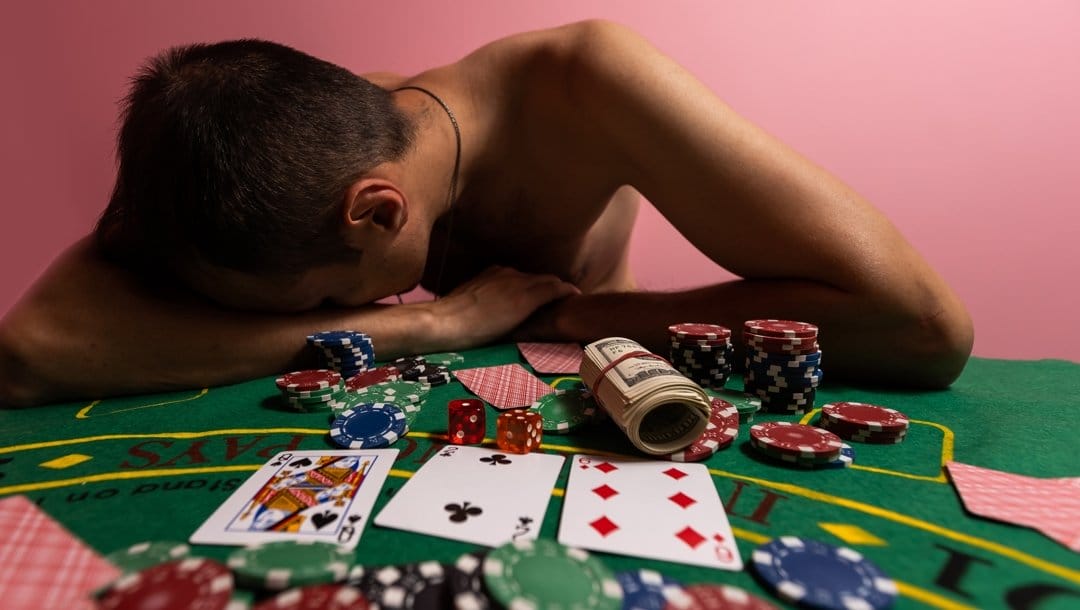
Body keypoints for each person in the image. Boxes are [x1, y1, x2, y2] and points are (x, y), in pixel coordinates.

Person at [0, 20, 973, 407]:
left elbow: (925, 327)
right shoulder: (258, 157)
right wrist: (430, 323)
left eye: (334, 293)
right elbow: (27, 352)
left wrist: (575, 314)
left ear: (377, 212)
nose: (333, 311)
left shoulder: (592, 83)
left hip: (621, 410)